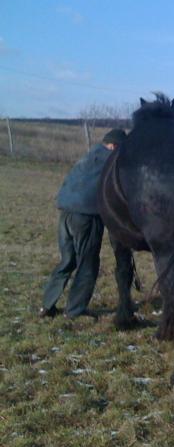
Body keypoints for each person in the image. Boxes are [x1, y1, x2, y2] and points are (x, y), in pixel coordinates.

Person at [39, 128, 127, 318]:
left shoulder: (90, 155)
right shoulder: (112, 159)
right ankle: (75, 310)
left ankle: (47, 304)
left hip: (65, 212)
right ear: (114, 146)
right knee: (88, 263)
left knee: (67, 260)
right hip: (86, 216)